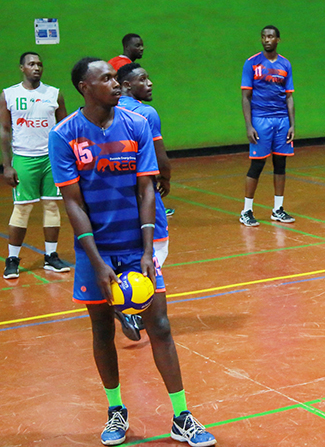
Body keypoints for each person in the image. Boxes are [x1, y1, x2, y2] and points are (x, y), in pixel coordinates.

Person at [49, 57, 215, 446]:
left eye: (114, 76)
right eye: (105, 78)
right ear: (84, 88)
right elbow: (72, 203)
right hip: (96, 248)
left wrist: (147, 250)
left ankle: (182, 416)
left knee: (159, 326)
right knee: (103, 329)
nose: (115, 83)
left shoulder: (136, 124)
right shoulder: (64, 134)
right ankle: (116, 411)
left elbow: (146, 188)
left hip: (135, 244)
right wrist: (96, 261)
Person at [112, 62, 173, 342]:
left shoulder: (107, 111)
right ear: (126, 85)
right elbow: (160, 157)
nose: (150, 84)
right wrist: (166, 178)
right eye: (143, 79)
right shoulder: (146, 113)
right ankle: (132, 305)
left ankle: (124, 297)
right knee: (157, 248)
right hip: (143, 189)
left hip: (114, 196)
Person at [1, 52, 71, 279]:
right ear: (22, 68)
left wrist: (67, 158)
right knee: (22, 208)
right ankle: (12, 259)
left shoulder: (54, 94)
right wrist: (6, 165)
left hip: (50, 159)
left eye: (39, 64)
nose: (36, 67)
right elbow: (4, 130)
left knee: (52, 206)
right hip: (23, 157)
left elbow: (64, 128)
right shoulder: (9, 95)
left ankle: (51, 256)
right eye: (31, 64)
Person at [239, 25, 295, 226]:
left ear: (278, 39)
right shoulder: (252, 63)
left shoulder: (285, 64)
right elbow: (246, 97)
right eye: (263, 36)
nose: (266, 39)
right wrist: (249, 126)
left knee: (281, 164)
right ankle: (247, 211)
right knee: (257, 164)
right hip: (261, 120)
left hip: (281, 121)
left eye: (270, 36)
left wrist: (292, 125)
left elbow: (289, 98)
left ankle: (277, 209)